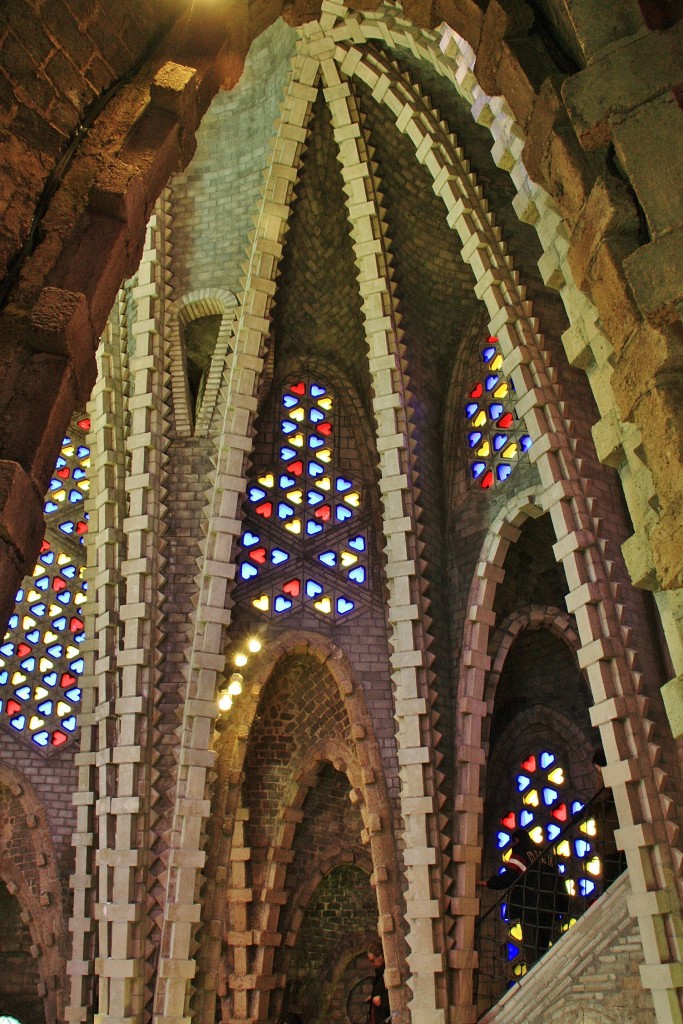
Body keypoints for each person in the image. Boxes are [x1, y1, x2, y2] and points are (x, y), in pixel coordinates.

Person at [479, 828, 569, 965]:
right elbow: (559, 881)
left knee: (531, 946)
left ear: (516, 840)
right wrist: (563, 907)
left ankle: (534, 972)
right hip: (550, 907)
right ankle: (544, 968)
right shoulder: (547, 854)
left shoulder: (521, 852)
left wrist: (489, 883)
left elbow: (511, 876)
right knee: (544, 945)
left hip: (530, 906)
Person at [366, 939, 390, 1024]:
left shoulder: (387, 971)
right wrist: (373, 996)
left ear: (380, 956)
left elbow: (395, 993)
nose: (372, 964)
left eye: (373, 960)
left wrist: (382, 1000)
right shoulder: (379, 973)